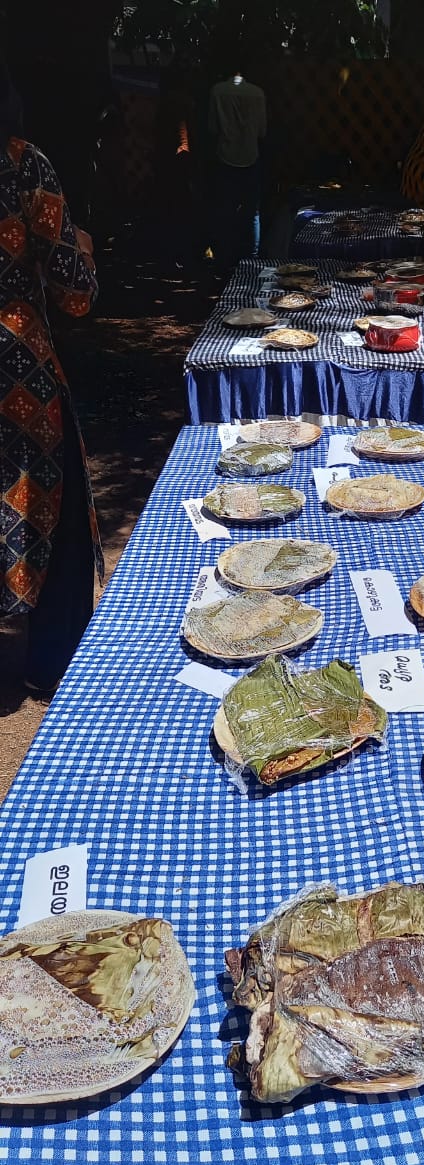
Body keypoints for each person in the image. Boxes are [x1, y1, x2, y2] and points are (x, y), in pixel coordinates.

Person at [0, 62, 102, 694]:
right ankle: (53, 662)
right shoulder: (22, 165)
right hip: (16, 364)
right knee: (52, 506)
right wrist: (84, 251)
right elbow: (74, 294)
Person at [208, 61, 266, 269]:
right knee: (252, 213)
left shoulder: (217, 91)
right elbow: (262, 131)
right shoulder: (258, 93)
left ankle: (225, 257)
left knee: (226, 210)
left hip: (225, 157)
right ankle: (252, 258)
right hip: (251, 156)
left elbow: (213, 128)